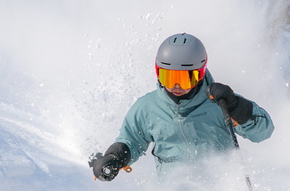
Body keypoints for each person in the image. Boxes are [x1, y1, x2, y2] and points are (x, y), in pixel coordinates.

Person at [88, 33, 274, 181]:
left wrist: (236, 107)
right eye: (168, 78)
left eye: (185, 79)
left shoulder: (221, 103)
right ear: (157, 72)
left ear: (200, 73)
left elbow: (263, 132)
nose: (176, 86)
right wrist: (113, 157)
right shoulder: (147, 108)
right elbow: (130, 141)